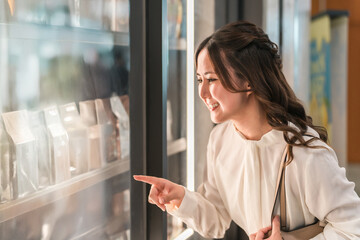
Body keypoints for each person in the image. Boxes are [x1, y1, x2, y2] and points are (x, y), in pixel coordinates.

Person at [134, 21, 360, 239]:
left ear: (249, 81)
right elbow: (217, 219)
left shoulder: (304, 153)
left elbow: (353, 229)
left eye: (212, 79)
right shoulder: (220, 140)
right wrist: (180, 198)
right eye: (199, 80)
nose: (202, 93)